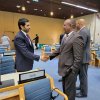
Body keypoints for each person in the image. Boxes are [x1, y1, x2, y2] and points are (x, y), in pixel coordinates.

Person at [44, 19, 84, 100]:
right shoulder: (65, 36)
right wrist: (49, 56)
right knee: (65, 91)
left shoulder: (77, 37)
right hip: (64, 69)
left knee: (70, 93)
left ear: (71, 26)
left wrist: (72, 71)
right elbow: (60, 49)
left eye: (65, 25)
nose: (63, 27)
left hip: (70, 71)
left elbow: (78, 58)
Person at [76, 19, 91, 97]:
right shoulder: (86, 30)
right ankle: (81, 87)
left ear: (79, 24)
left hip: (83, 57)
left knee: (83, 76)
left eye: (76, 24)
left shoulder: (83, 32)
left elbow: (81, 45)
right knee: (82, 74)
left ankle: (84, 93)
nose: (76, 25)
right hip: (84, 57)